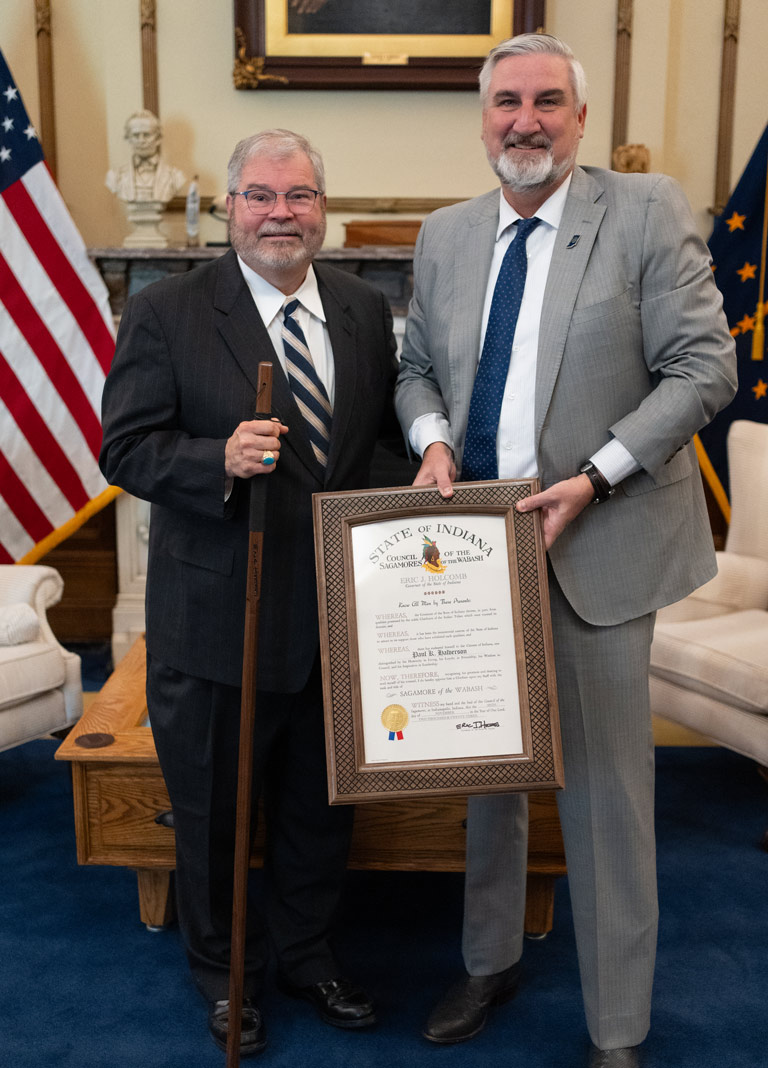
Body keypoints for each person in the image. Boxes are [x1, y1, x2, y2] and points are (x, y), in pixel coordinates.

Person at [394, 33, 736, 1068]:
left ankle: (618, 1027)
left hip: (602, 539)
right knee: (488, 773)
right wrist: (434, 438)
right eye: (506, 102)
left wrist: (596, 477)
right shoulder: (447, 235)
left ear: (579, 119)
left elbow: (704, 368)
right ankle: (490, 958)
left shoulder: (644, 210)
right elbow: (415, 368)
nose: (525, 121)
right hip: (475, 551)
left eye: (547, 101)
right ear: (483, 117)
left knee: (605, 794)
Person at [100, 128, 401, 1057]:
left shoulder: (360, 311)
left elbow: (372, 452)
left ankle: (308, 956)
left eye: (300, 196)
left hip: (334, 622)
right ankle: (225, 975)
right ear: (230, 207)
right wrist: (215, 459)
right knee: (216, 815)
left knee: (320, 808)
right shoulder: (169, 314)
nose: (281, 213)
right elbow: (124, 448)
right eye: (261, 196)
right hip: (216, 622)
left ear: (323, 210)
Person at [105, 109, 186, 205]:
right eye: (136, 135)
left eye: (147, 135)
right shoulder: (115, 177)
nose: (141, 140)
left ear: (158, 139)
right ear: (128, 139)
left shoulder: (176, 177)